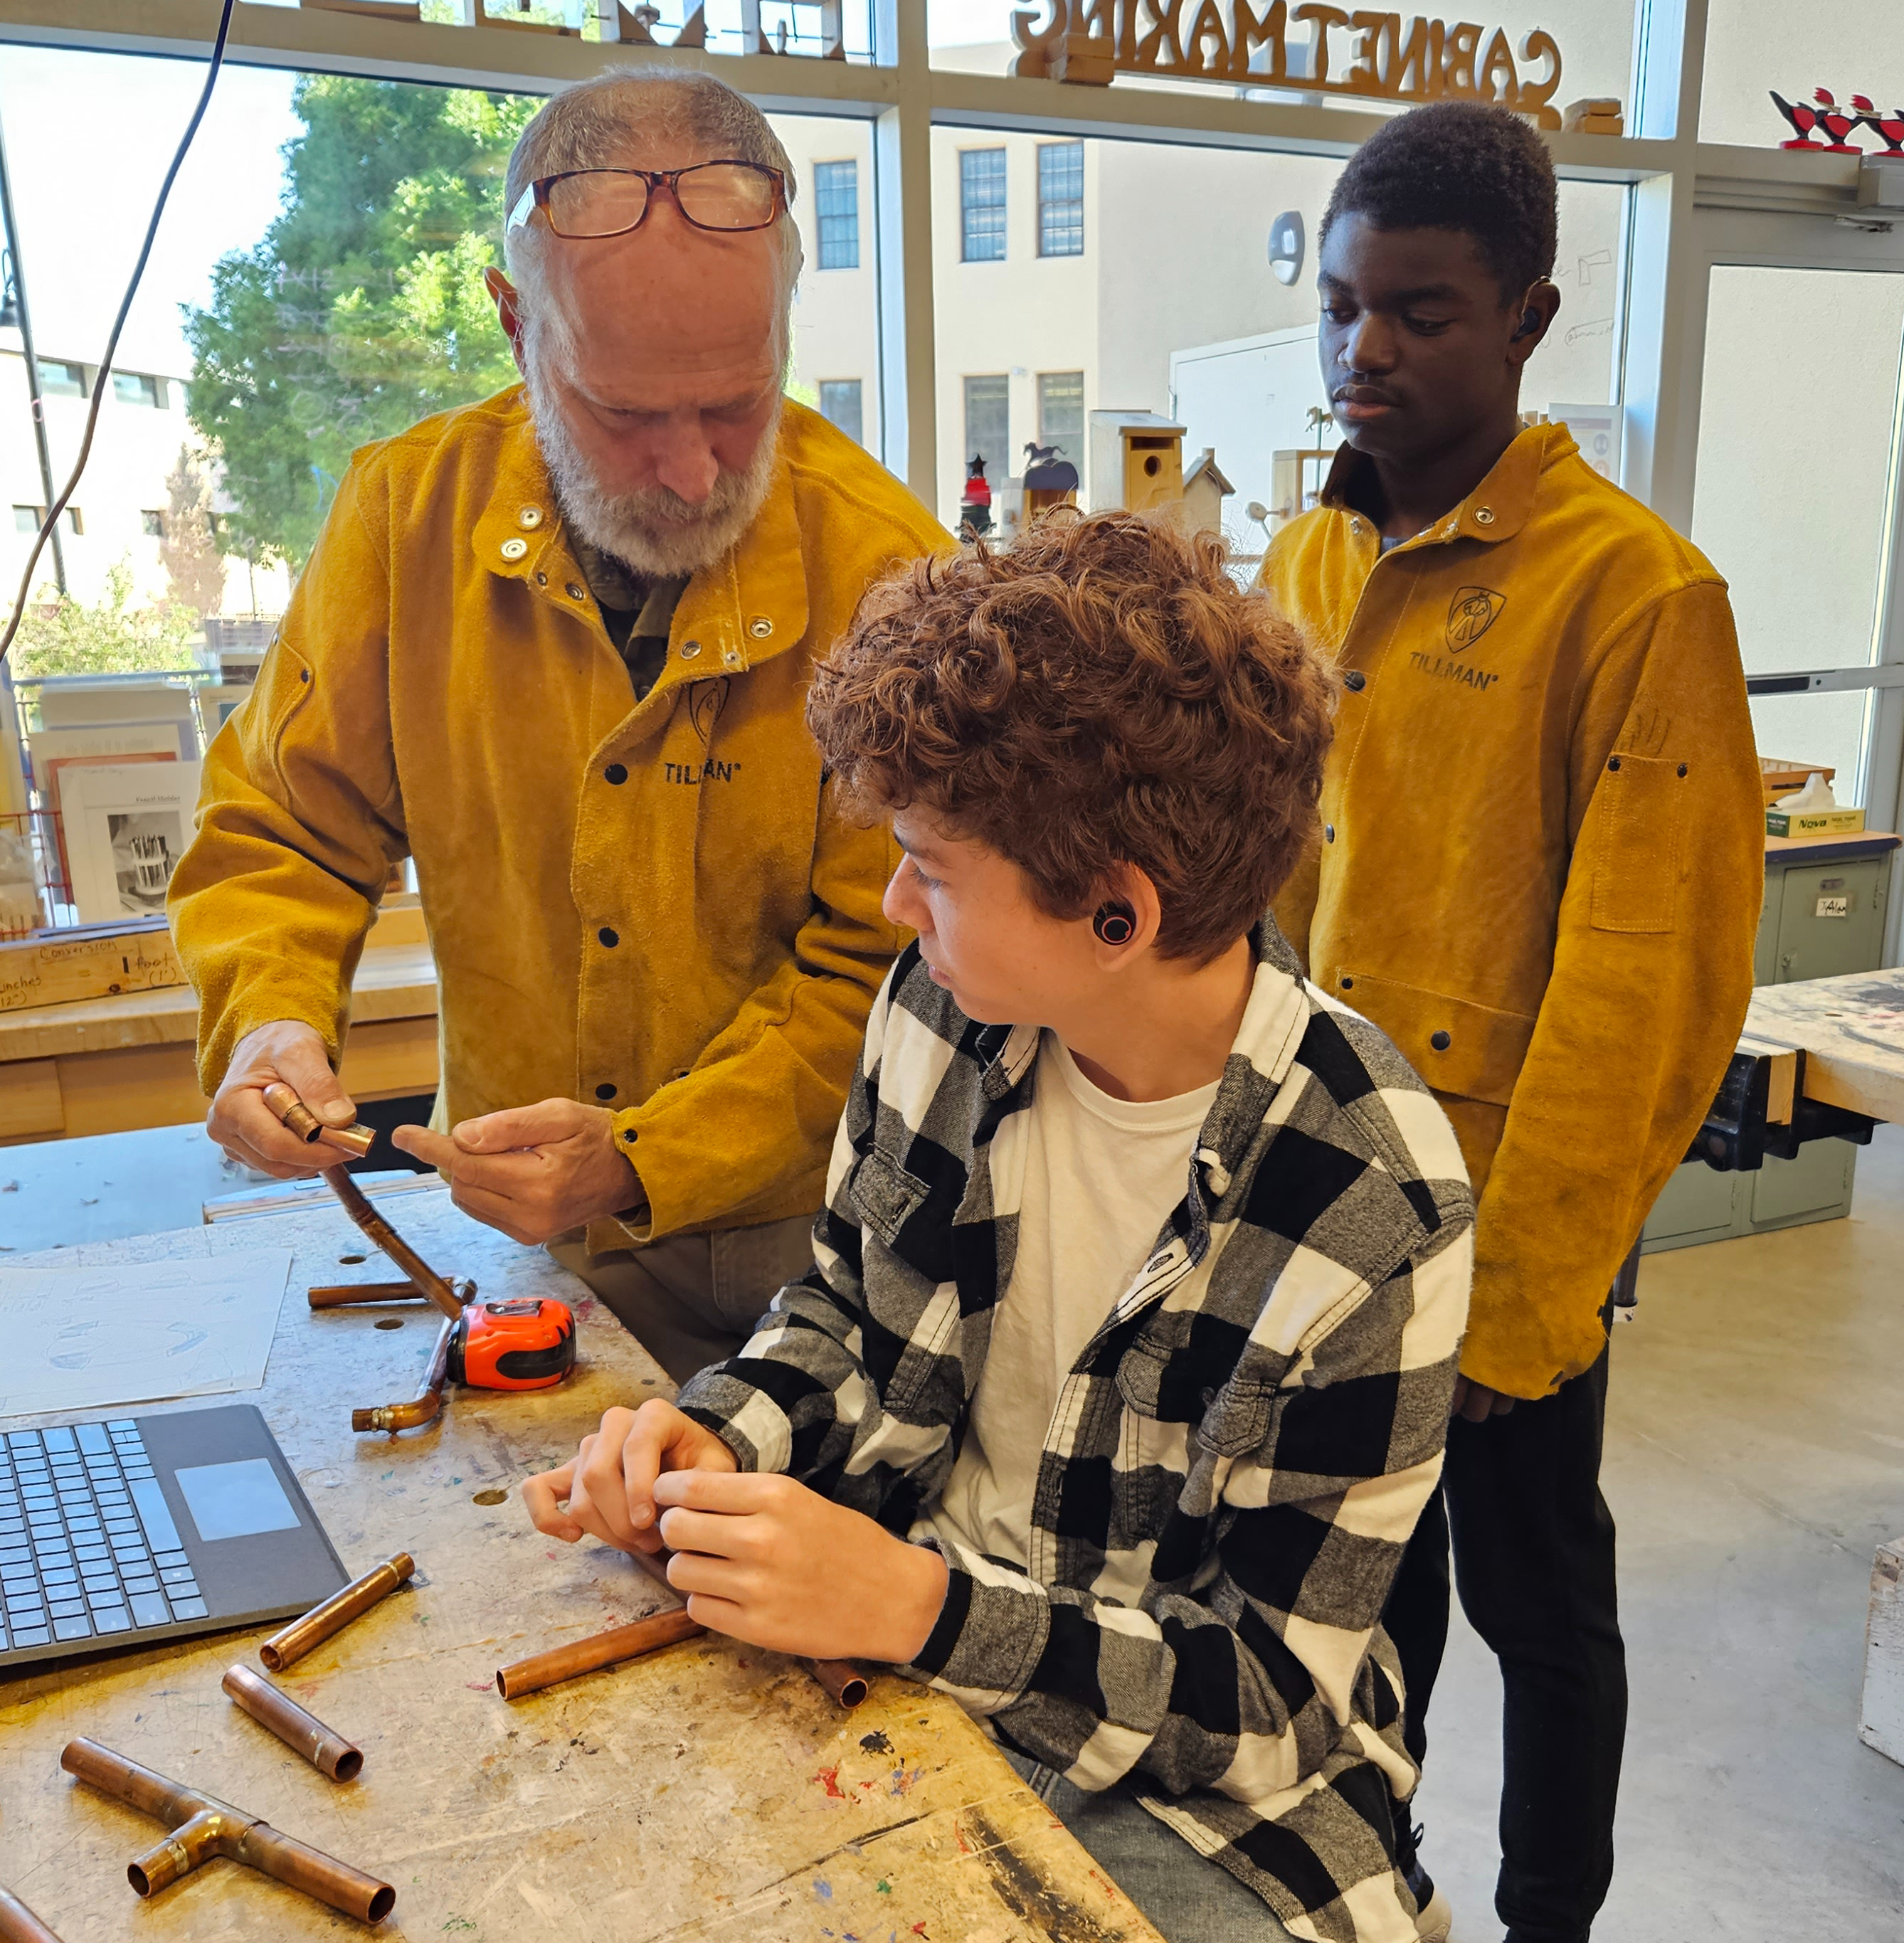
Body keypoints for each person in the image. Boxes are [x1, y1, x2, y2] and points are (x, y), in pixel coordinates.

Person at [524, 512, 1476, 1943]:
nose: (897, 902)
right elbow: (845, 1314)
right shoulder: (945, 1011)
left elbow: (1267, 1708)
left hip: (1210, 1802)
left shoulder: (1369, 1205)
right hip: (910, 1649)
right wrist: (720, 1435)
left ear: (1118, 914)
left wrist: (914, 1607)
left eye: (931, 864)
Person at [169, 70, 948, 1382]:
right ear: (516, 324)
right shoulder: (402, 520)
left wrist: (648, 1156)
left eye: (739, 399)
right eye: (630, 413)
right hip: (509, 1249)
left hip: (802, 1267)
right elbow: (279, 830)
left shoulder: (889, 571)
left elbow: (898, 974)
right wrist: (267, 1022)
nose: (696, 468)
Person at [1258, 102, 1762, 1943]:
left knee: (1536, 1604)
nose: (1361, 351)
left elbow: (1649, 989)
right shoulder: (1308, 571)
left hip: (1500, 1237)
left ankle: (1545, 1920)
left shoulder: (1633, 599)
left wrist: (1528, 1302)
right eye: (1335, 307)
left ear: (1527, 319)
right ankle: (1369, 1885)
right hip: (1320, 1220)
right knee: (1351, 1592)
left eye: (1417, 311)